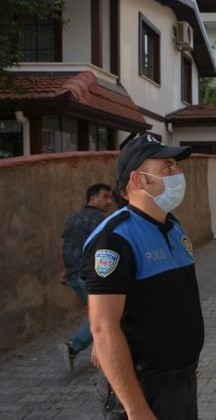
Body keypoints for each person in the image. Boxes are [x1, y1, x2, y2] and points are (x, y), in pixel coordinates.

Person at [81, 135, 204, 419]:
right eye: (167, 167)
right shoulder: (114, 239)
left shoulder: (173, 226)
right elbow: (103, 328)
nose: (178, 174)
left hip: (180, 383)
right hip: (142, 392)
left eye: (176, 166)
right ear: (138, 180)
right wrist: (136, 410)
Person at [57, 183, 114, 371]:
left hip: (74, 274)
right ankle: (73, 346)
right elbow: (104, 248)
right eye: (105, 196)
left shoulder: (74, 219)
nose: (109, 201)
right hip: (89, 276)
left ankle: (93, 348)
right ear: (92, 199)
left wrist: (65, 269)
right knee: (101, 313)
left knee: (98, 312)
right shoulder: (99, 220)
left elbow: (64, 244)